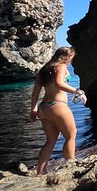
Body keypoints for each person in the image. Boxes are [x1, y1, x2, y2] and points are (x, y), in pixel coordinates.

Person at [29, 47, 86, 175]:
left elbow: (35, 93)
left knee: (51, 140)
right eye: (71, 58)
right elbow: (59, 83)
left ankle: (40, 172)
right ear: (67, 57)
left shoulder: (44, 70)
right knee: (71, 136)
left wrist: (34, 109)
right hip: (58, 105)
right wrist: (77, 91)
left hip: (44, 108)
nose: (71, 61)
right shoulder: (61, 66)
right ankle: (70, 167)